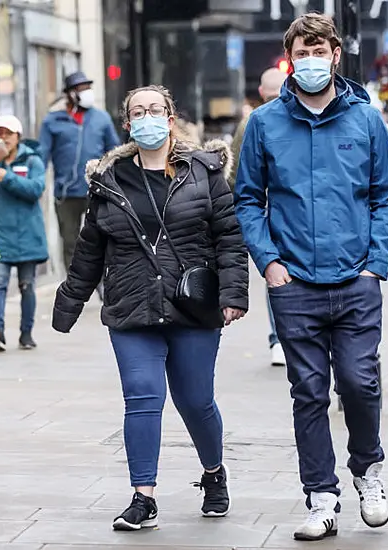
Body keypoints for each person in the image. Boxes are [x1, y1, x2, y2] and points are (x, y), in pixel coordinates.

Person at [52, 85, 249, 531]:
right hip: (131, 306)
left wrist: (234, 294)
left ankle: (214, 473)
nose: (147, 117)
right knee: (143, 396)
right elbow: (89, 249)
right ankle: (144, 496)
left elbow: (229, 239)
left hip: (192, 307)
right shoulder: (109, 179)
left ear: (171, 116)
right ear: (126, 123)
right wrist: (70, 302)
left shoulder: (204, 173)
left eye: (155, 109)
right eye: (137, 111)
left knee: (196, 401)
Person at [234, 13, 388, 541]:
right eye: (300, 52)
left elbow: (386, 197)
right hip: (295, 284)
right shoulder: (265, 124)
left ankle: (367, 470)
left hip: (355, 279)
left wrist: (375, 264)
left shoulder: (366, 120)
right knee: (307, 391)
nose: (310, 60)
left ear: (335, 54)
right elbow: (246, 200)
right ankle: (321, 496)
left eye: (318, 50)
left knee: (359, 382)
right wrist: (269, 263)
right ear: (291, 58)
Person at [0, 115, 48, 350]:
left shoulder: (33, 160)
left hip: (28, 235)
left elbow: (36, 189)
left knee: (27, 285)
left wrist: (8, 178)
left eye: (7, 133)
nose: (2, 138)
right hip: (0, 235)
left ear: (18, 136)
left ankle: (26, 333)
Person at [230, 67, 288, 368]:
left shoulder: (253, 121)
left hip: (280, 209)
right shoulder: (252, 123)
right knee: (275, 272)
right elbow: (239, 176)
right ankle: (279, 338)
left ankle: (282, 338)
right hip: (267, 212)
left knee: (277, 274)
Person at [39, 71, 121, 273]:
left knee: (102, 235)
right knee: (70, 240)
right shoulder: (52, 121)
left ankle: (103, 280)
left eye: (87, 88)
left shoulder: (101, 118)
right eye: (81, 89)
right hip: (66, 192)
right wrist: (36, 181)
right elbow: (42, 155)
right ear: (69, 94)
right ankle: (74, 284)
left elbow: (115, 151)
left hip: (97, 189)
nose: (86, 93)